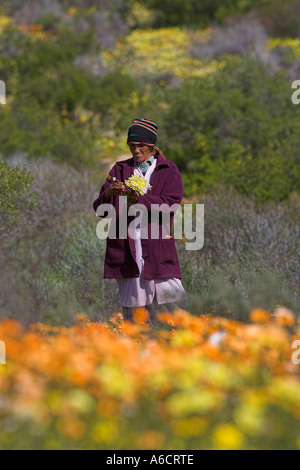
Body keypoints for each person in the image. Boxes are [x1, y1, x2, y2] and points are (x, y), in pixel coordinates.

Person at [93, 118, 188, 324]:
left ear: (152, 147)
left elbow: (171, 204)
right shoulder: (119, 170)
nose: (136, 150)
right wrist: (108, 194)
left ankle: (187, 342)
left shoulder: (168, 170)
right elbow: (100, 209)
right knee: (135, 315)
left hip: (158, 247)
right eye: (132, 146)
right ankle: (138, 348)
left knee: (175, 307)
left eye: (141, 146)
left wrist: (140, 199)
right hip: (127, 249)